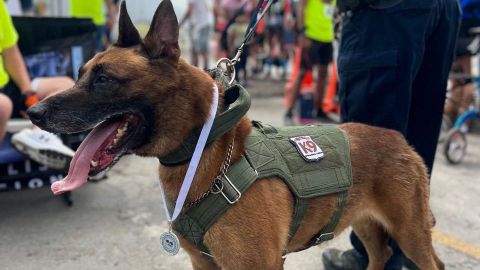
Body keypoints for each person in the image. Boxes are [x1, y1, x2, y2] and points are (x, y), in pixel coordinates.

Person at [321, 0, 460, 269]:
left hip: (384, 12)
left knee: (370, 148)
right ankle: (412, 250)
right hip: (440, 9)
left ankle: (375, 255)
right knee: (416, 141)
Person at [0, 0, 75, 170]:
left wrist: (28, 93)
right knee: (3, 105)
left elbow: (11, 53)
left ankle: (38, 134)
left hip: (6, 85)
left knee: (66, 85)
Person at [285, 0, 335, 121]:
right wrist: (302, 33)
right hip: (310, 37)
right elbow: (301, 9)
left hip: (328, 38)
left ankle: (319, 110)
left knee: (323, 74)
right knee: (302, 72)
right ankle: (289, 110)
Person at [179, 0, 211, 70]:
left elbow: (189, 11)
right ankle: (195, 70)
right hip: (200, 25)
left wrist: (179, 24)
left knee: (202, 50)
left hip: (202, 25)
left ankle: (206, 70)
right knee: (195, 50)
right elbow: (206, 9)